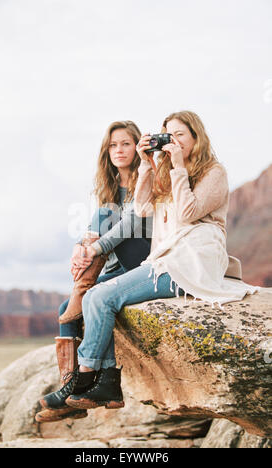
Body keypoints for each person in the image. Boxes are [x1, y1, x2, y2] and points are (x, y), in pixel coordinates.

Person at [39, 110, 260, 414]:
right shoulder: (165, 172)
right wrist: (146, 164)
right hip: (166, 259)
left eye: (181, 134)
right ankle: (104, 384)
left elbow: (187, 213)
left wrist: (179, 167)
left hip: (192, 261)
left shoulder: (214, 172)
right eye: (169, 134)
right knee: (94, 296)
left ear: (197, 138)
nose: (174, 140)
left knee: (101, 296)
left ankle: (84, 377)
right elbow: (141, 208)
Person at [35, 120, 152, 422]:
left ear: (137, 146)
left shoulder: (148, 176)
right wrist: (81, 245)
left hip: (142, 260)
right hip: (117, 265)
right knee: (68, 308)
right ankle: (72, 392)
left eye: (125, 143)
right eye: (113, 145)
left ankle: (83, 382)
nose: (119, 150)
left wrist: (92, 248)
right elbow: (92, 229)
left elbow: (132, 225)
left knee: (105, 216)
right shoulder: (110, 187)